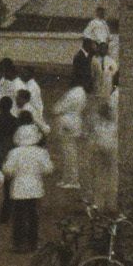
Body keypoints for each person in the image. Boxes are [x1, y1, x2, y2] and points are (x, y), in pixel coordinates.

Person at [3, 121, 53, 252]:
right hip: (35, 188)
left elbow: (8, 170)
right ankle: (33, 242)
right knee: (33, 216)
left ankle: (18, 243)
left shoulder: (14, 152)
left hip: (18, 188)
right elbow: (48, 169)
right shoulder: (41, 152)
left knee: (18, 217)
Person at [53, 53, 90, 192]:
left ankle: (72, 180)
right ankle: (68, 178)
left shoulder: (75, 93)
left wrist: (55, 109)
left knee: (69, 153)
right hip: (73, 122)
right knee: (69, 152)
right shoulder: (81, 92)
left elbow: (59, 108)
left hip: (68, 123)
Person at [84, 81, 119, 211]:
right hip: (111, 149)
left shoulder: (97, 122)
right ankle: (111, 204)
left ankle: (99, 203)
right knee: (111, 177)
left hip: (100, 148)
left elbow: (89, 134)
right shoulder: (114, 124)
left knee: (100, 176)